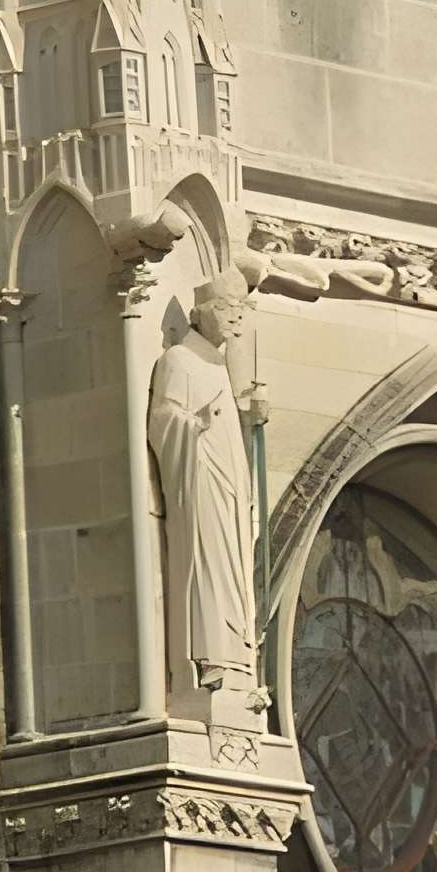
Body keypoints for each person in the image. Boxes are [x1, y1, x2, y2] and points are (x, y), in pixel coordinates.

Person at [150, 269, 259, 697]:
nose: (235, 317)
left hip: (229, 490)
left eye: (241, 309)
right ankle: (211, 657)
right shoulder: (179, 360)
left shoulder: (217, 365)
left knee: (232, 572)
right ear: (202, 313)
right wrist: (194, 426)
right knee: (209, 566)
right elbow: (163, 420)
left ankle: (237, 657)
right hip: (201, 481)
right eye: (227, 308)